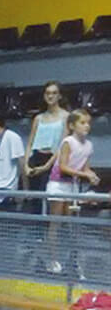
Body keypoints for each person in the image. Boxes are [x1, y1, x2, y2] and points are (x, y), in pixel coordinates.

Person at [45, 109, 100, 274]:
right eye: (82, 123)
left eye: (88, 123)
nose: (87, 126)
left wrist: (91, 175)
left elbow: (85, 167)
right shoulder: (68, 141)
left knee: (71, 224)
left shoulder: (89, 145)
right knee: (56, 223)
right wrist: (84, 174)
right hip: (57, 185)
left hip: (73, 186)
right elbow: (63, 166)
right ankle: (52, 260)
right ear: (72, 125)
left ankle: (72, 260)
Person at [23, 81, 69, 205]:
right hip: (36, 157)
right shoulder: (38, 118)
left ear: (59, 96)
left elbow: (62, 146)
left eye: (54, 93)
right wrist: (26, 164)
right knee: (35, 200)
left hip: (53, 160)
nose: (50, 96)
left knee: (48, 198)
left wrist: (46, 166)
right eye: (48, 93)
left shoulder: (65, 116)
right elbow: (30, 144)